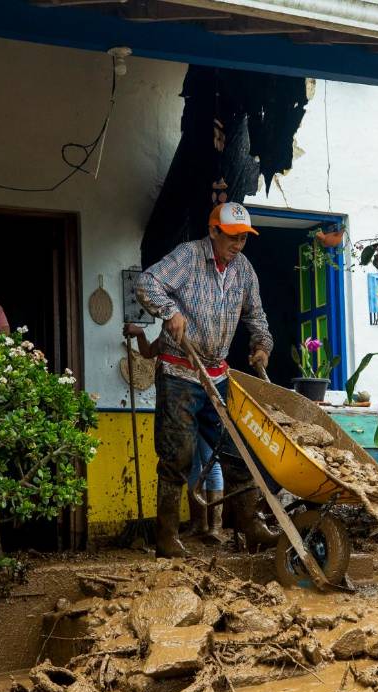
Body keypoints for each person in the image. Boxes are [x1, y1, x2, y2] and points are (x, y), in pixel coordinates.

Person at [136, 202, 274, 557]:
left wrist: (261, 345)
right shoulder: (189, 256)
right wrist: (170, 312)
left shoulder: (243, 269)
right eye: (232, 236)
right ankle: (166, 537)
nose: (238, 244)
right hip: (180, 369)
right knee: (177, 454)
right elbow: (147, 282)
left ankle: (250, 525)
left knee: (238, 449)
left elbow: (256, 314)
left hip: (218, 372)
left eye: (243, 237)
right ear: (213, 231)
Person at [124, 322, 224, 541]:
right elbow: (148, 352)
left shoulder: (205, 338)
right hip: (182, 409)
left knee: (211, 462)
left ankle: (216, 526)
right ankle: (199, 523)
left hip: (206, 402)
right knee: (192, 464)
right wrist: (140, 334)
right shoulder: (169, 336)